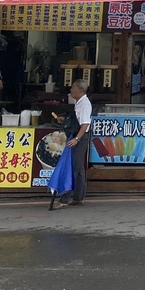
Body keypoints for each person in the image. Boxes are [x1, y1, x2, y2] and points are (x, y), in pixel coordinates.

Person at [50, 78, 92, 209]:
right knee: (78, 168)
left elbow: (85, 124)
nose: (71, 89)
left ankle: (64, 199)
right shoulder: (79, 103)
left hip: (80, 138)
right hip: (78, 136)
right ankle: (79, 197)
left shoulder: (84, 103)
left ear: (80, 90)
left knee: (72, 168)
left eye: (73, 87)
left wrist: (77, 139)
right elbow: (76, 120)